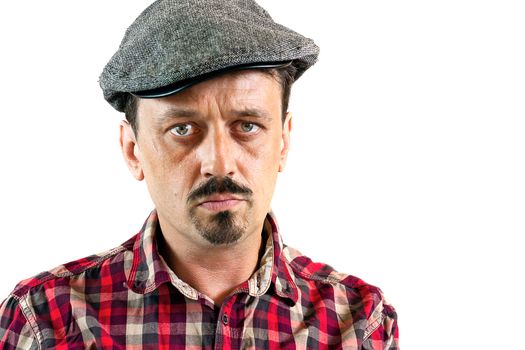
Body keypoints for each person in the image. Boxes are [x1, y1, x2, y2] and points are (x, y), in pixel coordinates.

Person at [0, 0, 398, 348]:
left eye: (247, 125)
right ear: (132, 150)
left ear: (283, 141)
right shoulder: (46, 321)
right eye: (182, 129)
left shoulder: (359, 323)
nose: (219, 162)